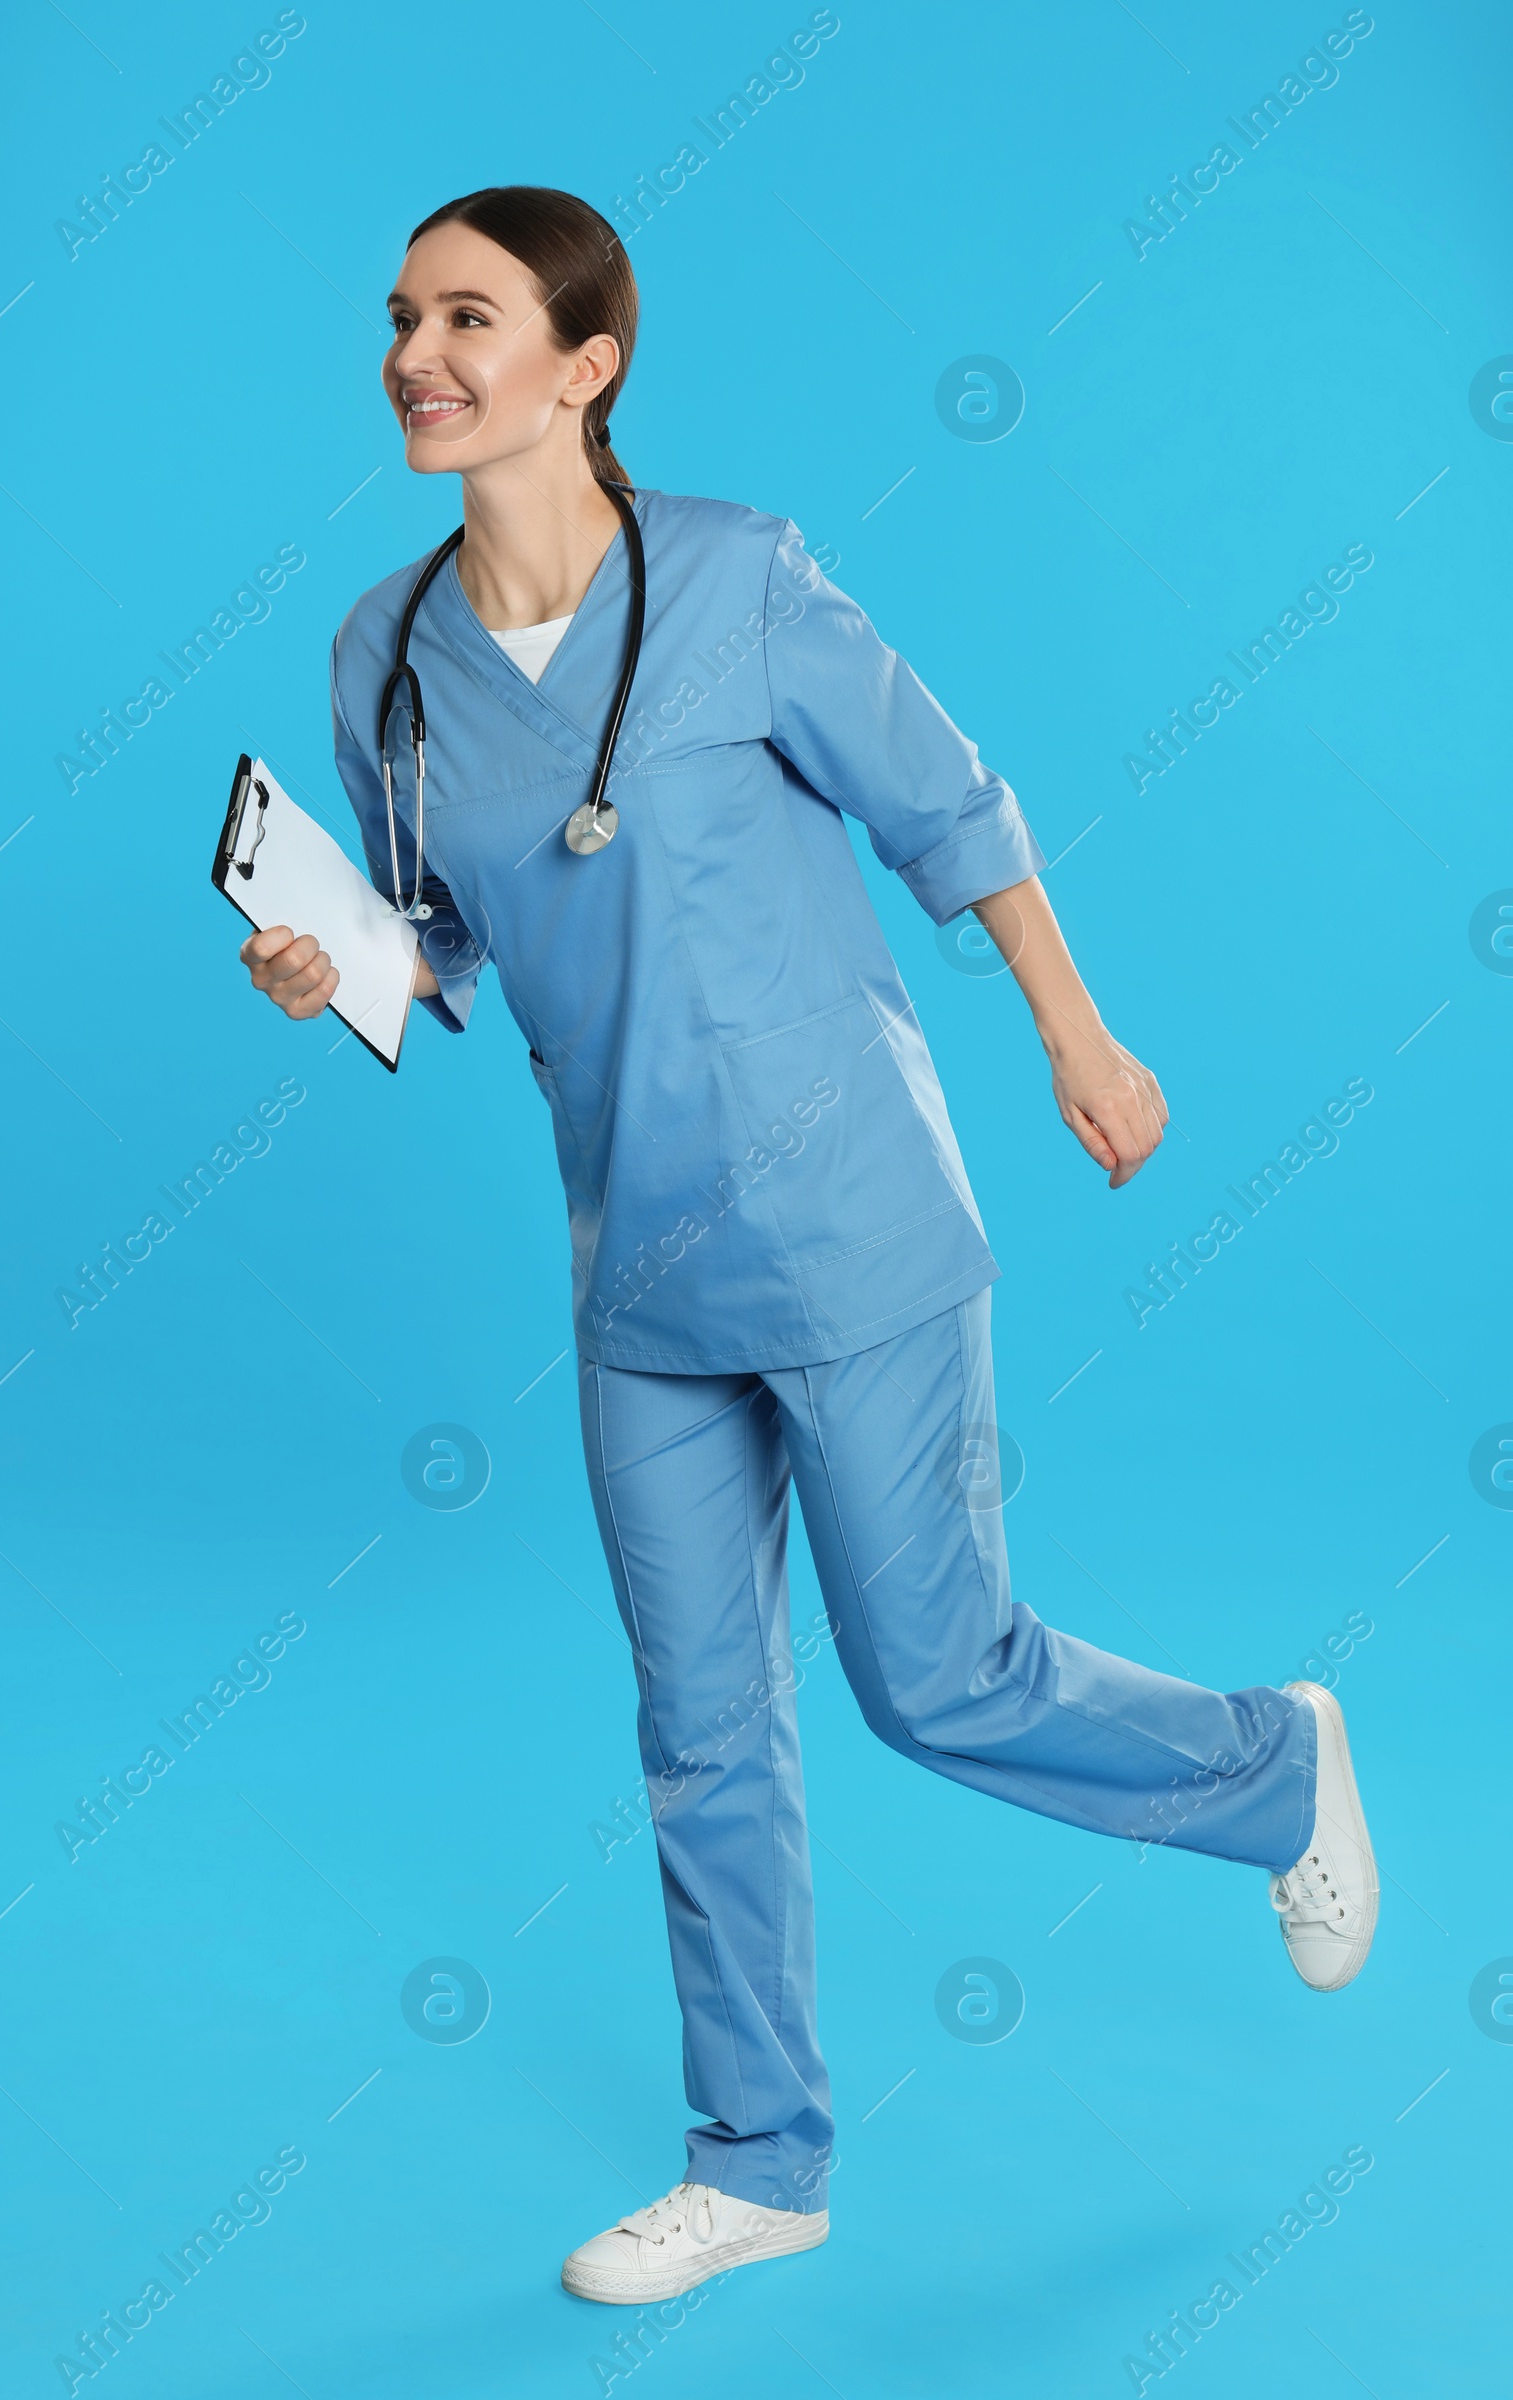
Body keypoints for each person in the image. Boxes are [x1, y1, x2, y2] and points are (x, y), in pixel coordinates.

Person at [238, 185, 1379, 2307]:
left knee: (935, 1682)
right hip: (637, 1274)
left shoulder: (744, 580)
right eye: (398, 316)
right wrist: (349, 968)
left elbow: (945, 801)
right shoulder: (376, 665)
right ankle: (759, 2158)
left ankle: (1271, 1765)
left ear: (583, 368)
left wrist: (1077, 1033)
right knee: (698, 1732)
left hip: (848, 1224)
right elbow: (457, 938)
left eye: (466, 317)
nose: (414, 352)